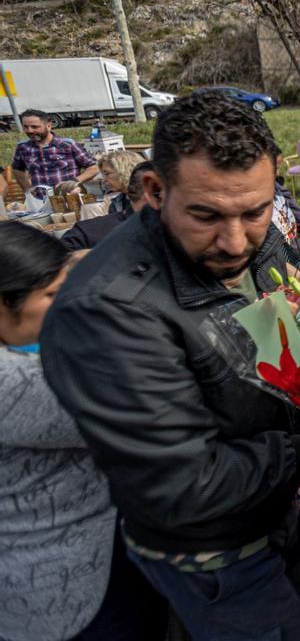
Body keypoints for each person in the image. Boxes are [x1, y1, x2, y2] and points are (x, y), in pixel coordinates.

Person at [41, 91, 300, 641]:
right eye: (207, 216)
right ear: (154, 191)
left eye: (255, 211)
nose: (235, 241)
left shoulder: (257, 242)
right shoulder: (107, 311)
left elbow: (288, 328)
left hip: (276, 512)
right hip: (215, 554)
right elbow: (185, 488)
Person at [0, 221, 166, 640]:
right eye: (53, 296)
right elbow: (145, 407)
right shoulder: (16, 384)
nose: (67, 303)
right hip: (67, 587)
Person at [60, 160, 154, 251]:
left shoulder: (84, 232)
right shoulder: (116, 202)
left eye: (107, 173)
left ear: (123, 170)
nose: (103, 180)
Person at [8, 109, 99, 194]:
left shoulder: (68, 144)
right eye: (26, 127)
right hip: (41, 200)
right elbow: (17, 169)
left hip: (70, 196)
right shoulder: (23, 147)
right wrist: (28, 190)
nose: (30, 130)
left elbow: (94, 167)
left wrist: (74, 181)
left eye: (34, 127)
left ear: (49, 126)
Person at [97, 149, 147, 214]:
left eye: (107, 174)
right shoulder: (116, 204)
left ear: (125, 171)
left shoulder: (156, 198)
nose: (104, 180)